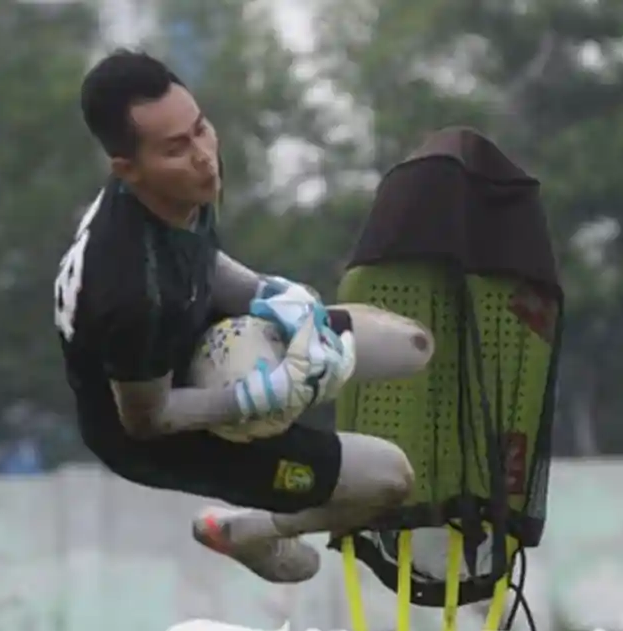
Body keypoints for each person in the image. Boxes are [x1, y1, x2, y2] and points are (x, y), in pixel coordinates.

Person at [53, 49, 434, 583]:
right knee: (390, 478)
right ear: (126, 170)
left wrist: (272, 295)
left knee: (412, 346)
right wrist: (256, 398)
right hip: (163, 435)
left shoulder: (177, 181)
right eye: (176, 148)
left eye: (201, 128)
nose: (204, 156)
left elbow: (195, 257)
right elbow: (148, 418)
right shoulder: (132, 293)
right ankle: (254, 532)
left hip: (192, 329)